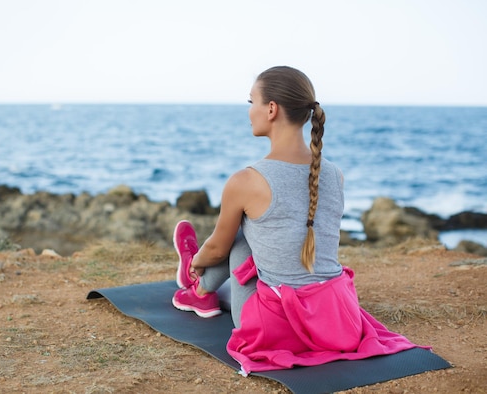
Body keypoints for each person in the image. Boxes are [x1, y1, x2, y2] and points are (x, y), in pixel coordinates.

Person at [171, 66, 423, 375]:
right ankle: (202, 289)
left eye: (252, 102)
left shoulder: (246, 181)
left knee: (240, 237)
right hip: (339, 322)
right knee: (263, 232)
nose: (250, 112)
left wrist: (198, 260)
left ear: (272, 109)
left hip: (277, 327)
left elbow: (218, 251)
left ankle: (197, 288)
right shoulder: (334, 174)